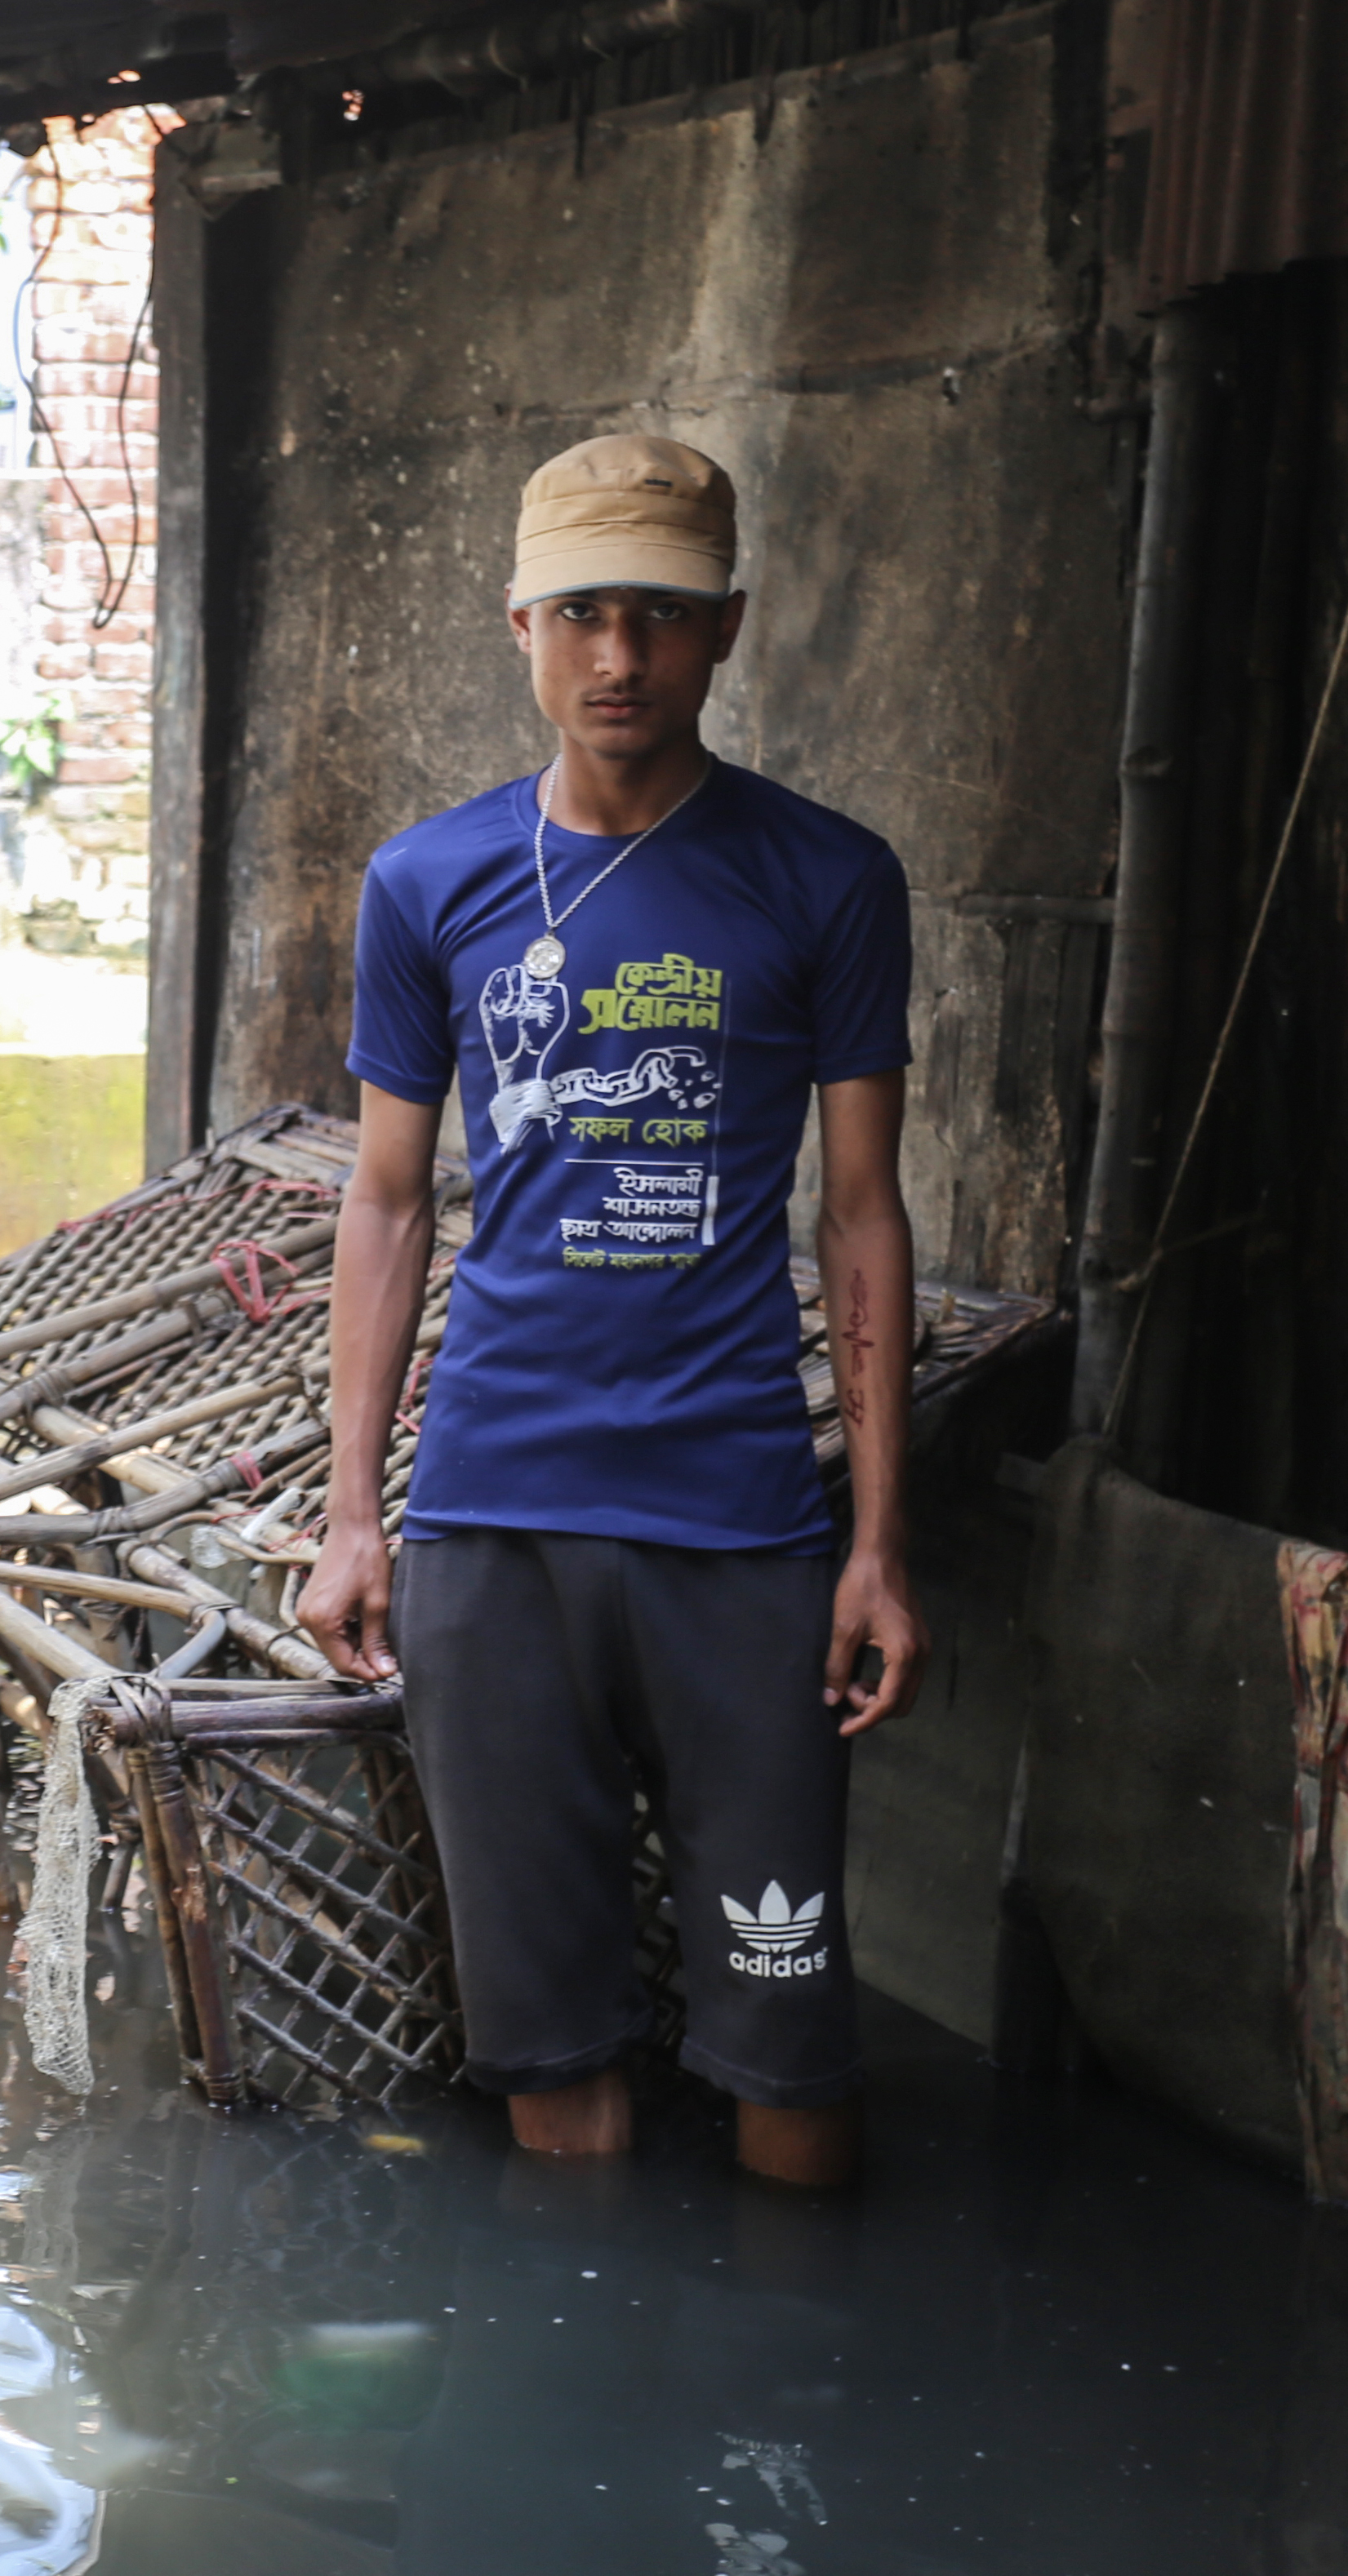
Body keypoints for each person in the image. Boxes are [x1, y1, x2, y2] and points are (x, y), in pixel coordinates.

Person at [297, 431, 927, 2189]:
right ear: (521, 625)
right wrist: (361, 1518)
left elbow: (863, 1217)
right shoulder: (432, 883)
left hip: (738, 1526)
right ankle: (591, 2406)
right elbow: (390, 1201)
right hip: (493, 1528)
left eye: (662, 617)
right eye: (584, 614)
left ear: (727, 631)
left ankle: (795, 2396)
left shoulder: (827, 881)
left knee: (791, 2056)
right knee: (553, 2054)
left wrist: (876, 1544)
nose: (621, 659)